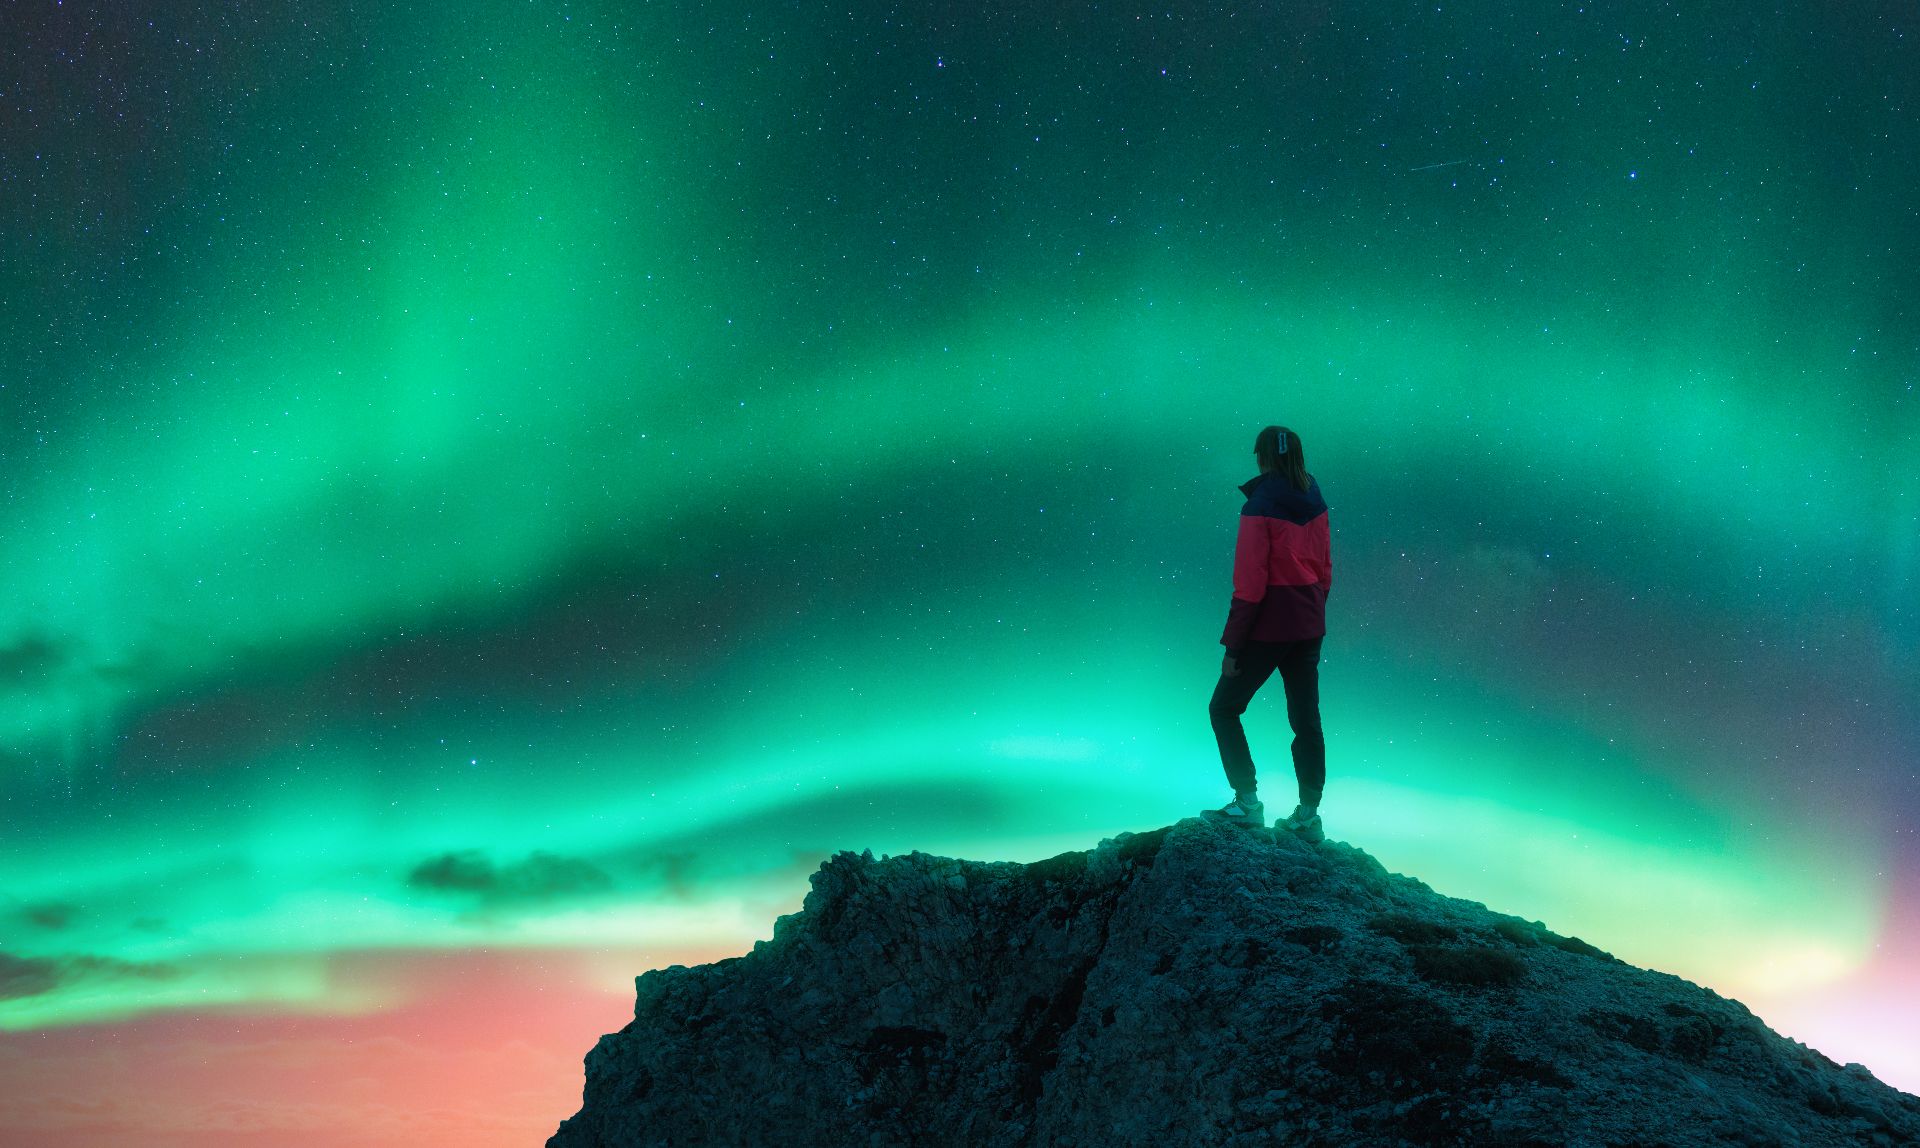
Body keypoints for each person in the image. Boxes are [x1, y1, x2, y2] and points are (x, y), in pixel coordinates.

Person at [1203, 425, 1332, 842]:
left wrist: (1234, 645)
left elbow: (1250, 583)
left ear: (1262, 457)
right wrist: (1312, 609)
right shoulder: (1315, 497)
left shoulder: (1258, 506)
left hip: (1267, 627)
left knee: (1223, 708)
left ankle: (1247, 803)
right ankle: (1309, 815)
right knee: (1306, 719)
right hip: (1308, 624)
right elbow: (1325, 567)